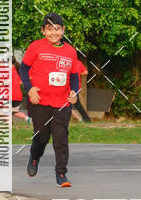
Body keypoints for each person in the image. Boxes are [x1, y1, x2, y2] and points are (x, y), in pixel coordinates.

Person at [19, 12, 79, 187]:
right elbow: (23, 69)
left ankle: (61, 174)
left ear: (63, 30)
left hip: (62, 103)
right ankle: (35, 156)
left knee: (61, 139)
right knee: (41, 138)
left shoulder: (71, 51)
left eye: (57, 29)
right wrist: (30, 89)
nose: (54, 33)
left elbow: (74, 76)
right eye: (49, 29)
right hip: (40, 102)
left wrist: (74, 92)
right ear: (43, 31)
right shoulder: (36, 47)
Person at [71, 59, 92, 123]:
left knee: (67, 104)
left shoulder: (67, 62)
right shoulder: (78, 62)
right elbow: (85, 72)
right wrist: (78, 73)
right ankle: (86, 119)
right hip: (77, 86)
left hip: (70, 86)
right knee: (76, 103)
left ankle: (82, 119)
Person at [10, 57, 31, 122]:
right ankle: (28, 119)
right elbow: (21, 82)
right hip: (18, 96)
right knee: (14, 112)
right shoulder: (18, 70)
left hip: (9, 95)